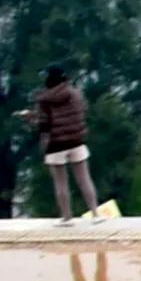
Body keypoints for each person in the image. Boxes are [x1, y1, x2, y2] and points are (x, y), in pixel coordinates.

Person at [28, 64, 97, 217]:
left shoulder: (44, 99)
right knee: (84, 179)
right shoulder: (75, 94)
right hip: (77, 140)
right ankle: (95, 213)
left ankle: (67, 217)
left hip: (56, 144)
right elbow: (80, 114)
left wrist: (32, 121)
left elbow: (44, 124)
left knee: (61, 183)